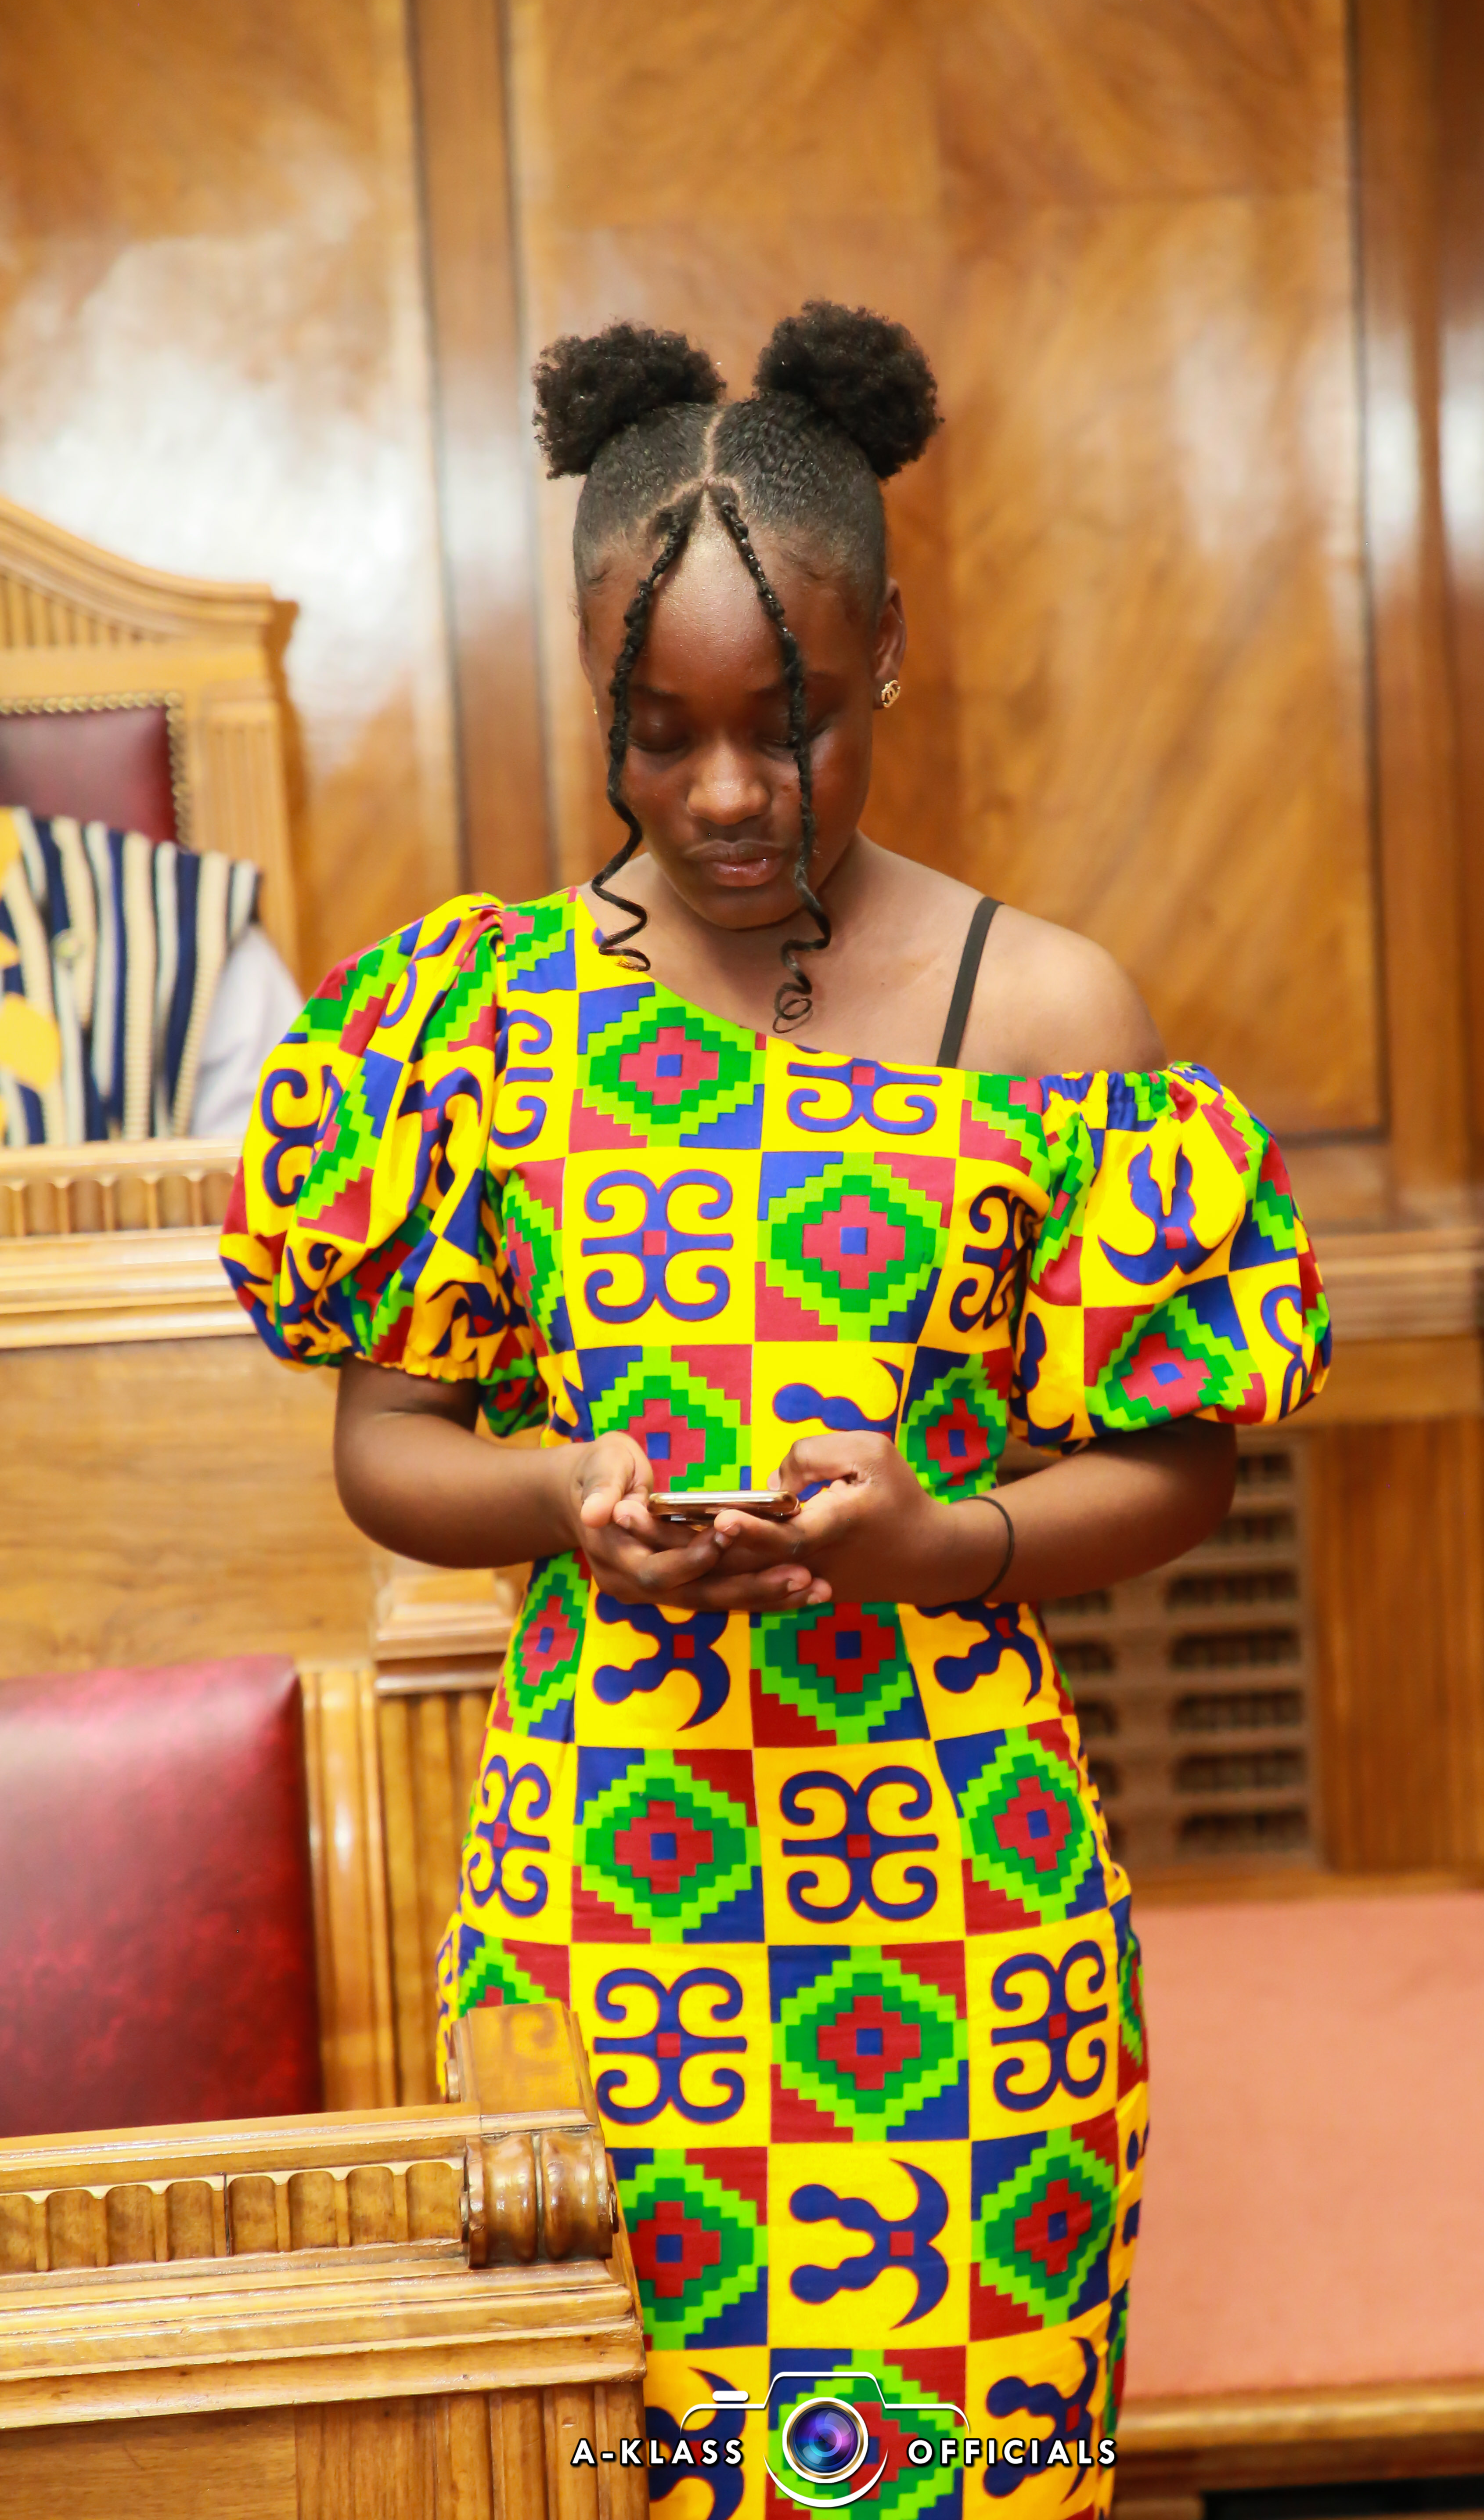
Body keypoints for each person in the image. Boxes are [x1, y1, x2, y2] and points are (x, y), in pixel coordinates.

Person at [223, 302, 1329, 2512]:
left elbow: (1180, 1462)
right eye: (659, 736)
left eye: (791, 723)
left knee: (960, 2475)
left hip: (972, 1947)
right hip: (609, 1932)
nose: (727, 795)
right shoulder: (468, 1019)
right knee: (617, 2469)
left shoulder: (1047, 1016)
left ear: (887, 655)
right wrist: (564, 1497)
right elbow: (385, 1453)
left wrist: (942, 1546)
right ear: (598, 703)